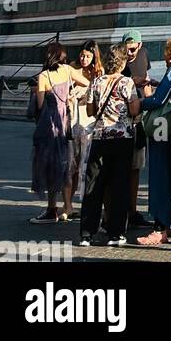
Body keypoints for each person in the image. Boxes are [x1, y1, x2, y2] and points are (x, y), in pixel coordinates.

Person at [79, 43, 141, 247]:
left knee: (93, 185)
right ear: (122, 62)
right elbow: (134, 109)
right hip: (121, 138)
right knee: (119, 185)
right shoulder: (127, 82)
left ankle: (87, 233)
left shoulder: (96, 82)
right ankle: (116, 233)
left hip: (99, 137)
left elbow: (90, 111)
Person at [135, 35, 171, 246]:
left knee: (161, 176)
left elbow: (159, 99)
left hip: (165, 128)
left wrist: (140, 103)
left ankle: (159, 228)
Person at [31, 43, 90, 224]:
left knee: (49, 165)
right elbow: (88, 83)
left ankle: (51, 209)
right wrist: (72, 96)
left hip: (49, 125)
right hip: (65, 123)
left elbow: (40, 105)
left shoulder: (43, 76)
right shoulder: (67, 70)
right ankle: (67, 206)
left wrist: (37, 94)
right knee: (65, 164)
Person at [67, 41, 102, 216]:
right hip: (74, 118)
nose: (84, 59)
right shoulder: (73, 69)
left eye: (88, 56)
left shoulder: (99, 73)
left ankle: (86, 201)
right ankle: (68, 203)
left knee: (86, 161)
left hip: (89, 120)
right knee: (73, 161)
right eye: (81, 55)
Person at [121, 29, 151, 230]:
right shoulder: (118, 59)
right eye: (127, 47)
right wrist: (134, 81)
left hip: (138, 118)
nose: (130, 51)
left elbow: (146, 78)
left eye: (134, 47)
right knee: (120, 167)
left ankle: (132, 210)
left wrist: (149, 102)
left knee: (136, 167)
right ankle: (118, 211)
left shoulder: (143, 54)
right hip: (121, 120)